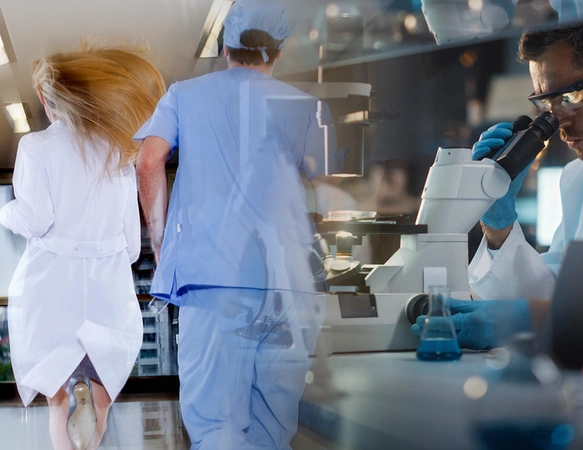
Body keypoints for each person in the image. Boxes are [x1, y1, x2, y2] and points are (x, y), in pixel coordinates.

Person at [134, 0, 338, 448]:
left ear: (225, 46)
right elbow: (327, 192)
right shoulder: (308, 107)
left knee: (217, 427)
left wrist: (163, 243)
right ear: (279, 51)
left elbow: (148, 160)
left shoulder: (184, 95)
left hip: (215, 283)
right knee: (274, 427)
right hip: (289, 286)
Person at [0, 45, 165, 449]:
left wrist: (6, 213)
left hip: (53, 282)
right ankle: (92, 418)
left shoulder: (36, 147)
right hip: (106, 281)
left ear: (45, 98)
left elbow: (36, 219)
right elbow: (130, 241)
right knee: (104, 397)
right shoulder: (115, 148)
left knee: (56, 406)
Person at [413, 20, 583, 350]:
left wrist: (528, 320)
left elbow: (561, 314)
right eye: (546, 104)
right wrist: (498, 223)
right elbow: (557, 295)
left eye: (570, 96)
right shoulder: (581, 179)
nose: (559, 122)